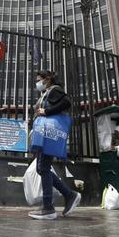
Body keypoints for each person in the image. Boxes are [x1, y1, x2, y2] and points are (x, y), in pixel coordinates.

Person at [28, 71, 81, 220]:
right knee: (41, 168)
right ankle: (69, 195)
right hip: (46, 132)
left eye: (40, 80)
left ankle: (49, 208)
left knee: (42, 168)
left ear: (48, 79)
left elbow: (67, 103)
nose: (38, 83)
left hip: (49, 132)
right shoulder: (47, 92)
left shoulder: (55, 89)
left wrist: (46, 110)